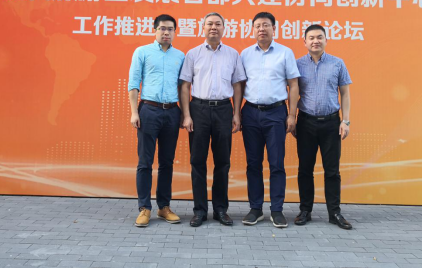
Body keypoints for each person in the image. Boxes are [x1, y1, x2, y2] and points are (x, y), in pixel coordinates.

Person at [180, 13, 247, 228]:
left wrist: (236, 113)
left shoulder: (233, 54)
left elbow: (237, 85)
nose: (213, 27)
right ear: (203, 28)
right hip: (198, 109)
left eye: (218, 24)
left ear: (224, 28)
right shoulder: (193, 54)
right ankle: (199, 210)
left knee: (223, 162)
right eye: (209, 24)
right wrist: (187, 115)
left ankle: (220, 209)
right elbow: (185, 86)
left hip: (223, 109)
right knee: (197, 161)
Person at [240, 12, 300, 229]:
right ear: (253, 29)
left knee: (276, 163)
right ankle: (255, 208)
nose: (262, 29)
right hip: (250, 113)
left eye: (266, 25)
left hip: (276, 113)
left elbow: (294, 84)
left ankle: (277, 210)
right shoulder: (245, 54)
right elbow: (240, 85)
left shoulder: (285, 52)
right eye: (258, 26)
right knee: (253, 163)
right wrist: (237, 113)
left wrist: (291, 115)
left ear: (274, 28)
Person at [128, 14, 185, 228]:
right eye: (162, 28)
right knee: (145, 162)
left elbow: (182, 87)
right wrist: (134, 112)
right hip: (148, 110)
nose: (166, 32)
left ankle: (164, 207)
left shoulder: (180, 56)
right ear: (155, 30)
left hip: (172, 111)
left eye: (170, 29)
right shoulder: (142, 52)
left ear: (174, 32)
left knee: (167, 162)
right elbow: (134, 83)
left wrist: (184, 113)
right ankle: (144, 208)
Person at [295, 24, 353, 230]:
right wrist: (291, 118)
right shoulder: (297, 65)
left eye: (319, 37)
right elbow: (292, 93)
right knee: (305, 169)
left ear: (326, 40)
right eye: (311, 38)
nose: (315, 41)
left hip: (331, 123)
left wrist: (345, 121)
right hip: (305, 122)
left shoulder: (337, 63)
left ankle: (334, 212)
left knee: (332, 170)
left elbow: (345, 93)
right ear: (305, 42)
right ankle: (305, 210)